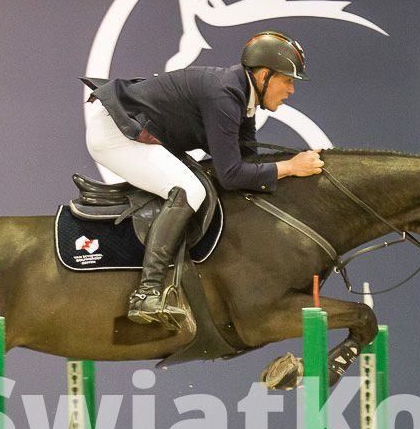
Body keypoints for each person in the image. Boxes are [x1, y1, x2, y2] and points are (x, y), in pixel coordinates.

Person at [84, 30, 324, 326]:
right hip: (116, 133)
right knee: (190, 191)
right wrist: (290, 167)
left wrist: (291, 168)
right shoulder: (225, 97)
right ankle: (146, 293)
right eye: (287, 80)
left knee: (199, 184)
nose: (291, 90)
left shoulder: (242, 98)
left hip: (137, 130)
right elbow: (231, 175)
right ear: (264, 76)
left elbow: (247, 161)